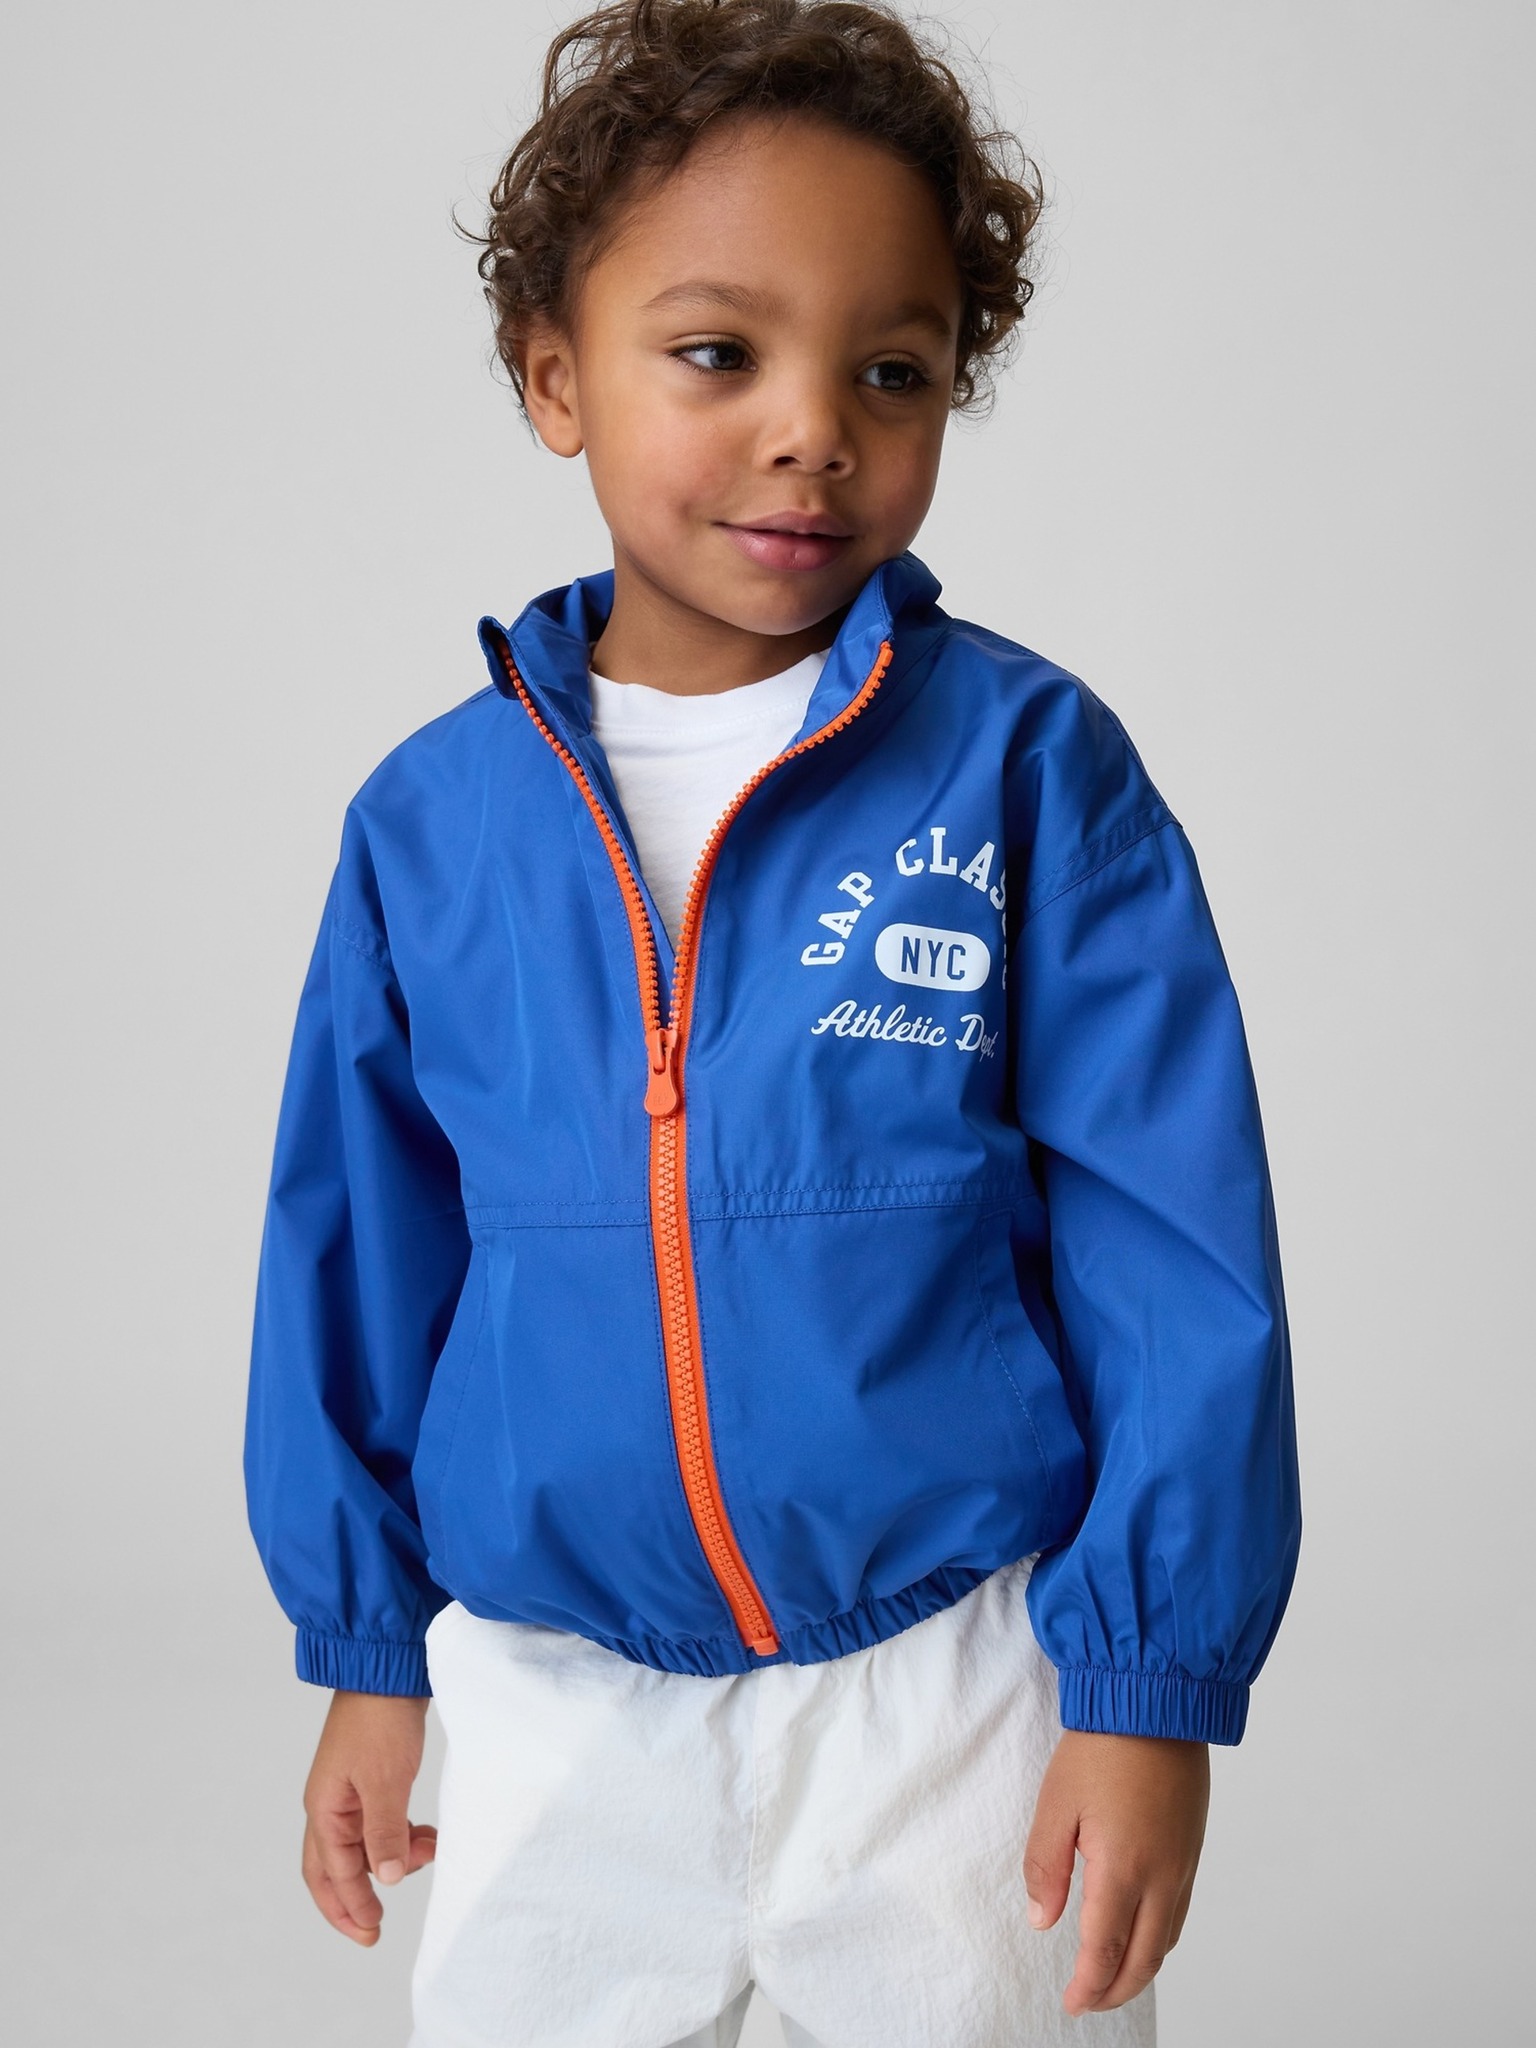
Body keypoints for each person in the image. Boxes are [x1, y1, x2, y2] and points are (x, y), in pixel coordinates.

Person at [243, 2, 1302, 2042]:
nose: (813, 427)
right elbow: (358, 1252)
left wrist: (1147, 1684)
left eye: (891, 370)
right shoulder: (432, 825)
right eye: (719, 353)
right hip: (555, 1694)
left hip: (954, 1682)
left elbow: (1172, 1241)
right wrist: (370, 1650)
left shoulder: (1026, 767)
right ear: (556, 377)